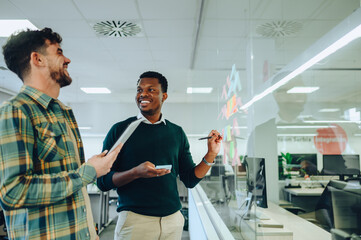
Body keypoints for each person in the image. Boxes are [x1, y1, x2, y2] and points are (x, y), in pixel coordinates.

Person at [0, 28, 122, 240]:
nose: (67, 59)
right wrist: (87, 172)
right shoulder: (16, 111)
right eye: (58, 52)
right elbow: (13, 192)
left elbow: (72, 187)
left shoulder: (62, 112)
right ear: (37, 59)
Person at [97, 71, 222, 240]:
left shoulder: (176, 132)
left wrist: (211, 153)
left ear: (164, 96)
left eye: (151, 90)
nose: (143, 94)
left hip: (172, 221)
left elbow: (190, 179)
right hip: (136, 222)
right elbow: (102, 181)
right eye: (139, 90)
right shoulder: (120, 130)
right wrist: (135, 173)